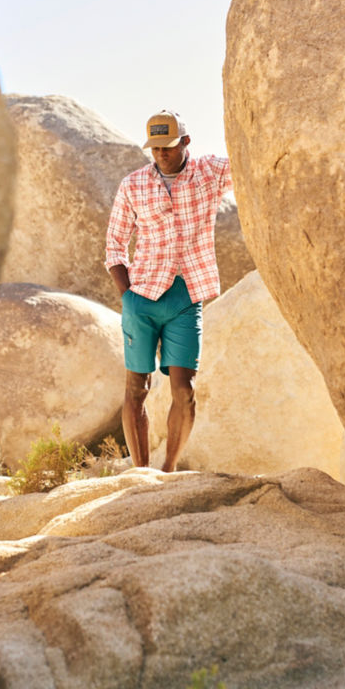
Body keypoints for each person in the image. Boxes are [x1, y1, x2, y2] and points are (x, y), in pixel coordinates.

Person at [105, 109, 232, 471]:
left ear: (186, 142)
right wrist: (126, 295)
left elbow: (248, 161)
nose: (161, 153)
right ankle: (142, 474)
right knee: (136, 389)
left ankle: (169, 470)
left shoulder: (209, 172)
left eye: (168, 147)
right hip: (141, 296)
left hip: (186, 296)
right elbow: (114, 243)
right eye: (155, 147)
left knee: (184, 390)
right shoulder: (133, 184)